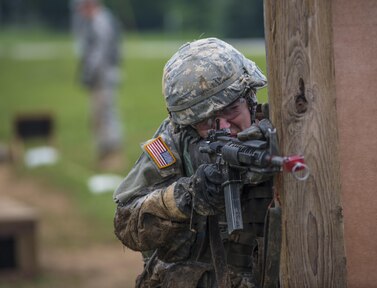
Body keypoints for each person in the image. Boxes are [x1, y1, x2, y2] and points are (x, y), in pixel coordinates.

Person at [113, 38, 277, 287]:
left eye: (232, 109)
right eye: (206, 121)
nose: (224, 128)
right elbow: (126, 223)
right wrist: (185, 197)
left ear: (250, 98)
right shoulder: (173, 145)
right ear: (187, 124)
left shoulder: (285, 132)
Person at [70, 0, 123, 170]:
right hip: (100, 77)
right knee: (99, 116)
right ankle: (104, 154)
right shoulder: (96, 20)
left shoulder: (100, 21)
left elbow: (99, 52)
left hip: (103, 77)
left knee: (105, 115)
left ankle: (112, 154)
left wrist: (87, 73)